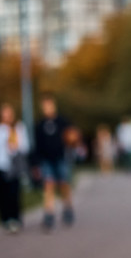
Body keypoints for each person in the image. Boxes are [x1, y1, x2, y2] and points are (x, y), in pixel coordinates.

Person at [0, 103, 30, 233]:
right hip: (1, 166)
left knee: (14, 193)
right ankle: (5, 219)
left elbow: (25, 147)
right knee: (1, 194)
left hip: (14, 166)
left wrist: (16, 146)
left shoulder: (19, 127)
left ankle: (15, 218)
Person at [33, 93, 75, 232]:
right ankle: (49, 213)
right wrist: (35, 164)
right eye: (45, 106)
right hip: (46, 160)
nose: (47, 108)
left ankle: (67, 208)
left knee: (63, 184)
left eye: (49, 105)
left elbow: (72, 136)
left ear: (53, 105)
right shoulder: (40, 125)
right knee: (48, 185)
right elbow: (37, 146)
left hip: (61, 158)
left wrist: (73, 139)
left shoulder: (62, 121)